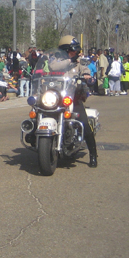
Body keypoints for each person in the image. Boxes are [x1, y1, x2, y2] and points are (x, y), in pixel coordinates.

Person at [50, 35, 97, 167]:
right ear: (65, 50)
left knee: (84, 124)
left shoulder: (79, 62)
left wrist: (88, 76)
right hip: (55, 97)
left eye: (75, 51)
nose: (75, 53)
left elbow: (86, 70)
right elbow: (53, 67)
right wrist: (69, 60)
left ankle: (93, 155)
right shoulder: (56, 60)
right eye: (72, 50)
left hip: (72, 98)